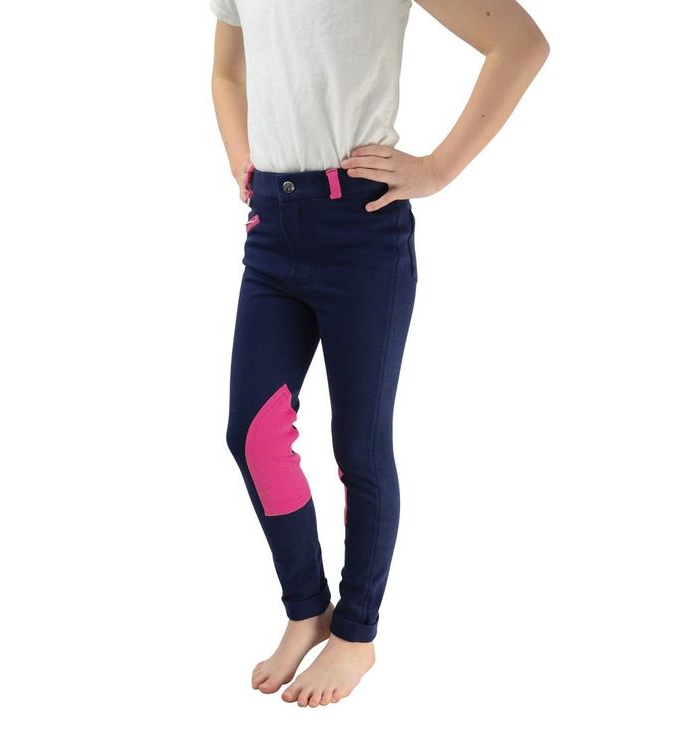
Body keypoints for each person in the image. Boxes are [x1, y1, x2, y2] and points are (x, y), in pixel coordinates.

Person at [210, 0, 549, 707]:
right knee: (253, 435)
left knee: (358, 448)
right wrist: (242, 155)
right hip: (271, 227)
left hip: (360, 229)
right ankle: (308, 610)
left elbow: (520, 44)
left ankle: (356, 633)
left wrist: (438, 168)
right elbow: (227, 73)